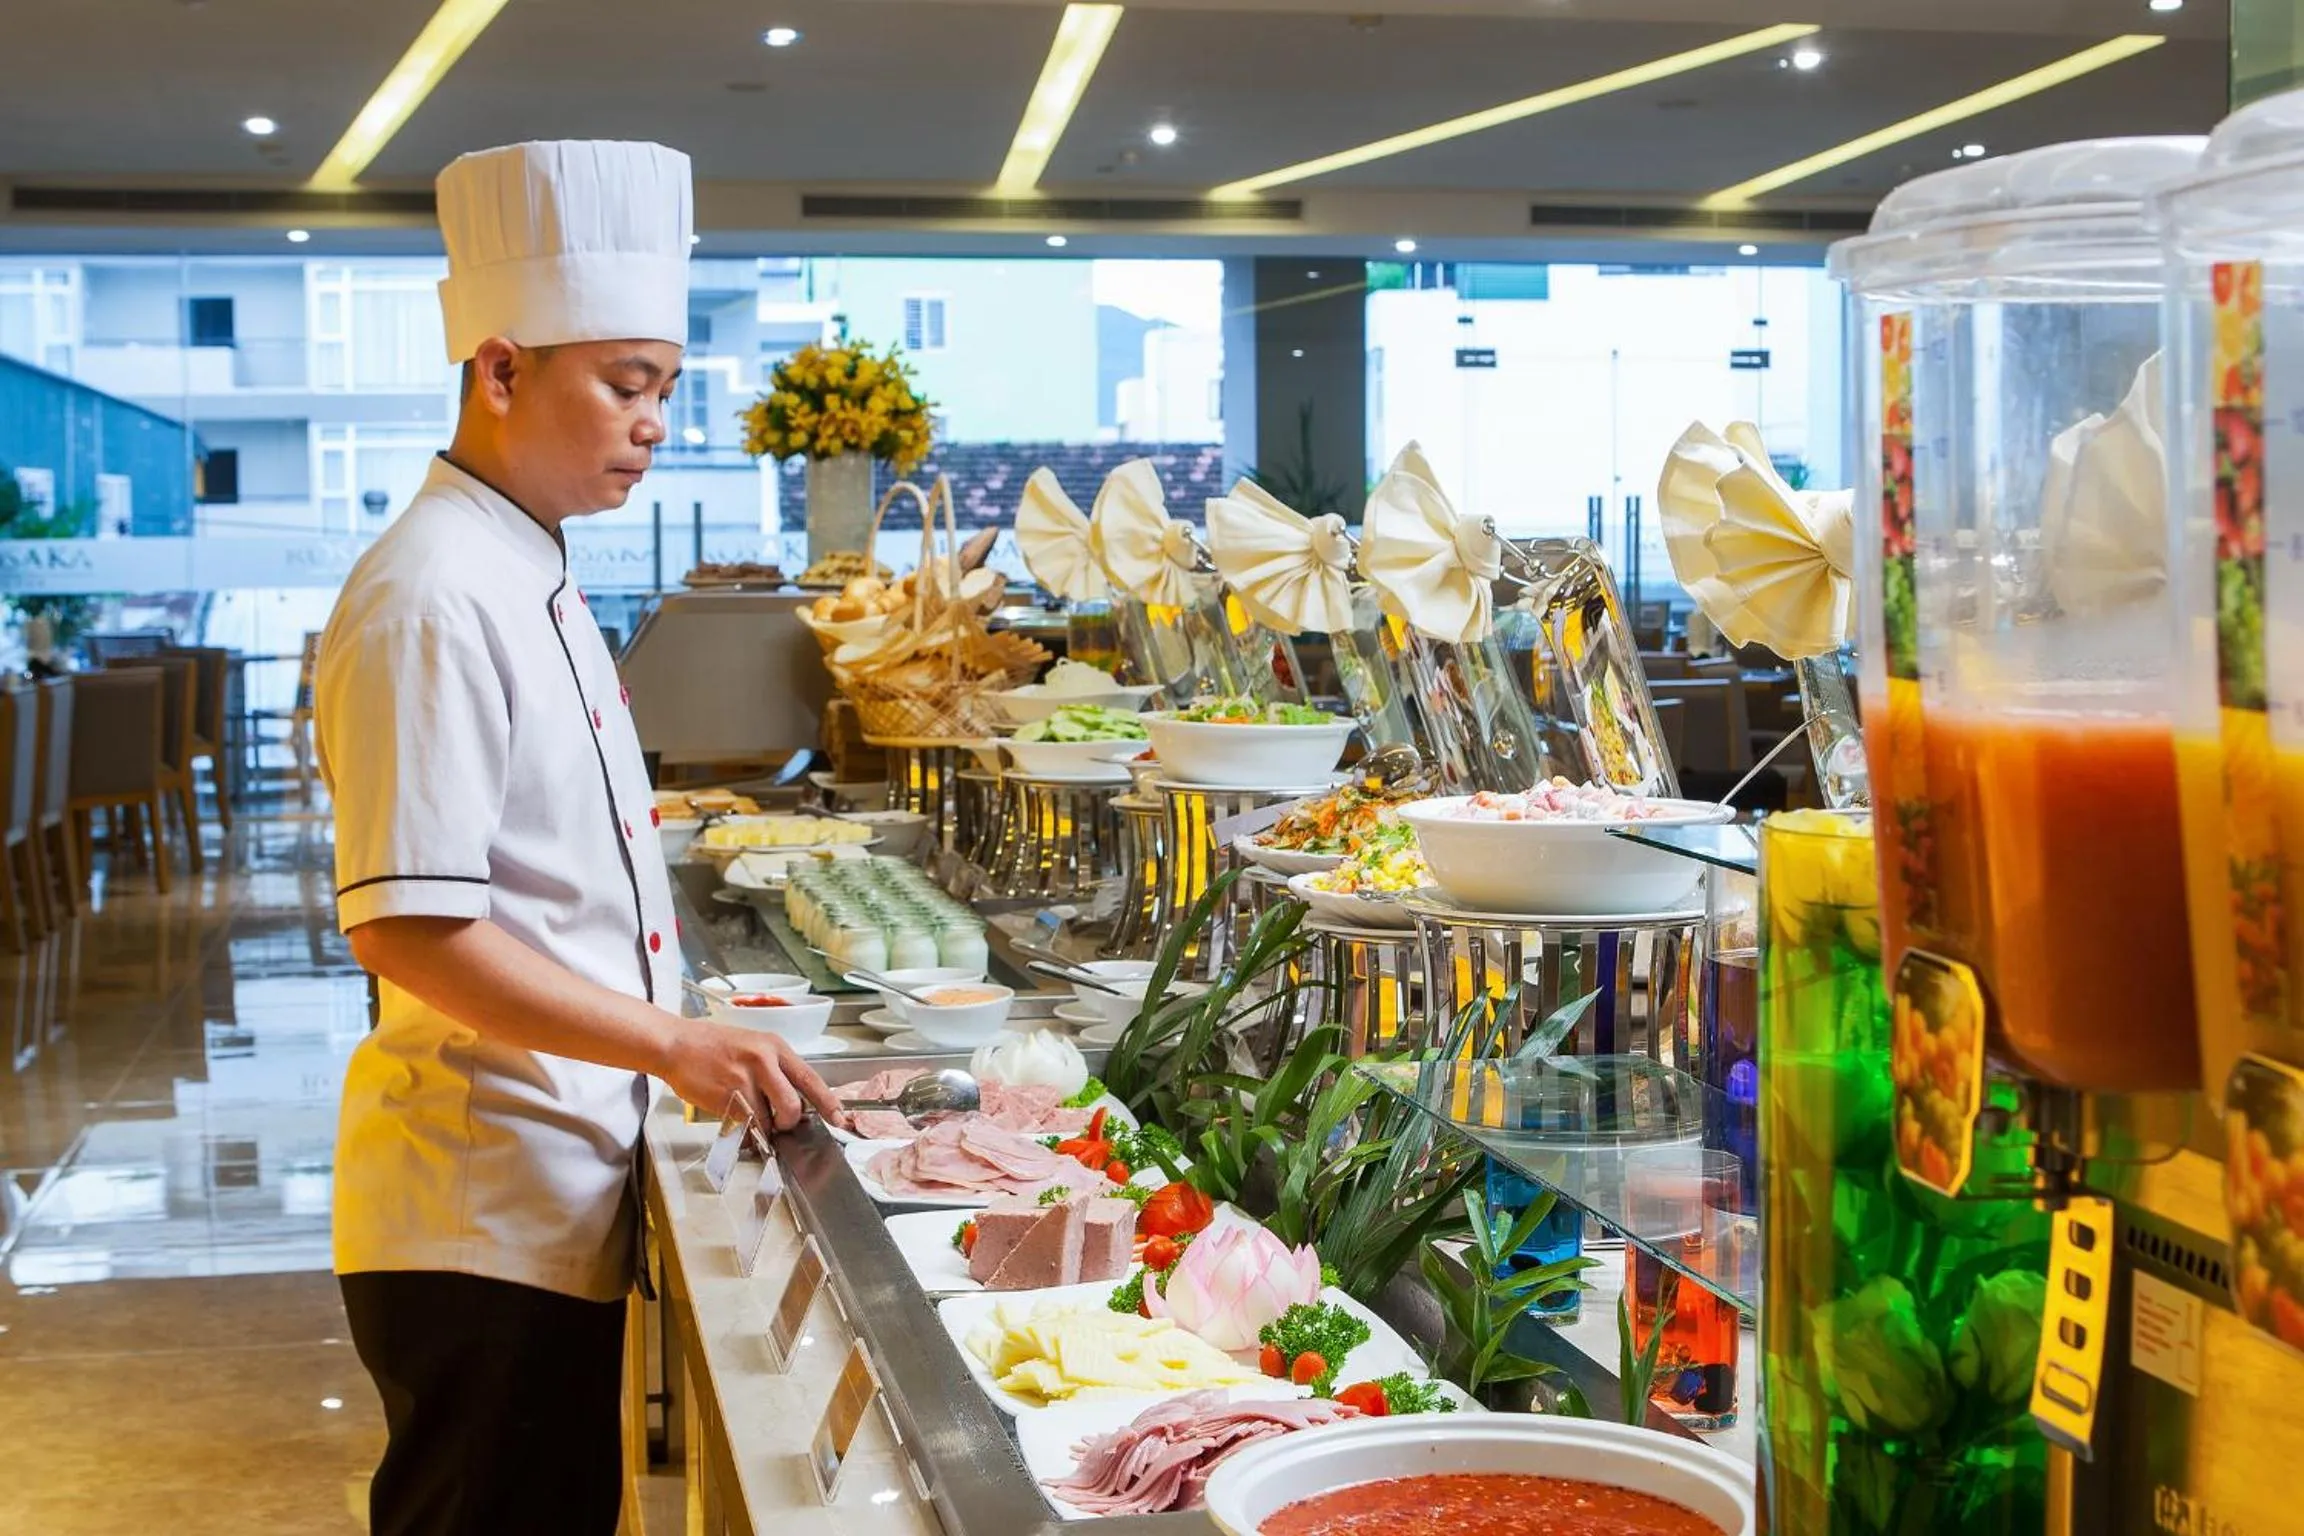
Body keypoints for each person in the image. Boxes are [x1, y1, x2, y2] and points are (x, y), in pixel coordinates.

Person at [316, 140, 843, 1536]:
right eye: (624, 383)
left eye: (665, 388)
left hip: (546, 1183)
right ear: (499, 371)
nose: (655, 421)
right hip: (476, 1206)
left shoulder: (523, 561)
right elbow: (409, 926)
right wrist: (675, 1043)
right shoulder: (430, 591)